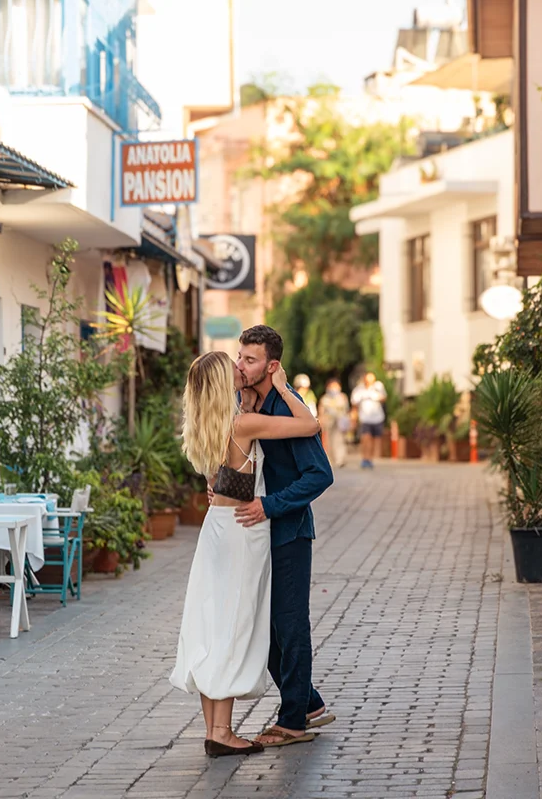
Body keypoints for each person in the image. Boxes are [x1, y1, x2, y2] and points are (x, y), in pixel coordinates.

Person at [170, 350, 321, 758]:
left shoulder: (204, 425)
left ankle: (214, 729)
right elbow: (310, 424)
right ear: (223, 383)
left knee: (212, 625)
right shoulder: (244, 424)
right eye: (234, 368)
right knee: (233, 627)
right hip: (242, 532)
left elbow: (230, 484)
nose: (241, 369)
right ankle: (223, 732)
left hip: (216, 528)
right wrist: (286, 388)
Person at [233, 325, 335, 748]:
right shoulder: (247, 403)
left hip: (289, 532)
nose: (241, 365)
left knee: (289, 625)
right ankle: (307, 702)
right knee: (262, 626)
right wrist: (222, 488)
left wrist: (270, 506)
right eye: (240, 356)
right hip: (256, 534)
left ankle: (294, 720)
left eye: (250, 359)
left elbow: (320, 474)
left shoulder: (288, 409)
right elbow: (254, 468)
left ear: (272, 366)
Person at [350, 372, 387, 469]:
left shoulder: (378, 387)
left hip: (377, 418)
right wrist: (353, 419)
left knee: (374, 440)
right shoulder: (359, 390)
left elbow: (384, 398)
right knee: (366, 438)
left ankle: (370, 458)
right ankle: (364, 458)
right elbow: (354, 405)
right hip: (365, 418)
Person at [318, 378, 350, 468]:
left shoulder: (343, 397)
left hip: (340, 421)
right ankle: (329, 459)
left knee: (340, 440)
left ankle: (340, 459)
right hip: (329, 421)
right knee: (328, 440)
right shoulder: (325, 398)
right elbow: (321, 410)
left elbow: (346, 410)